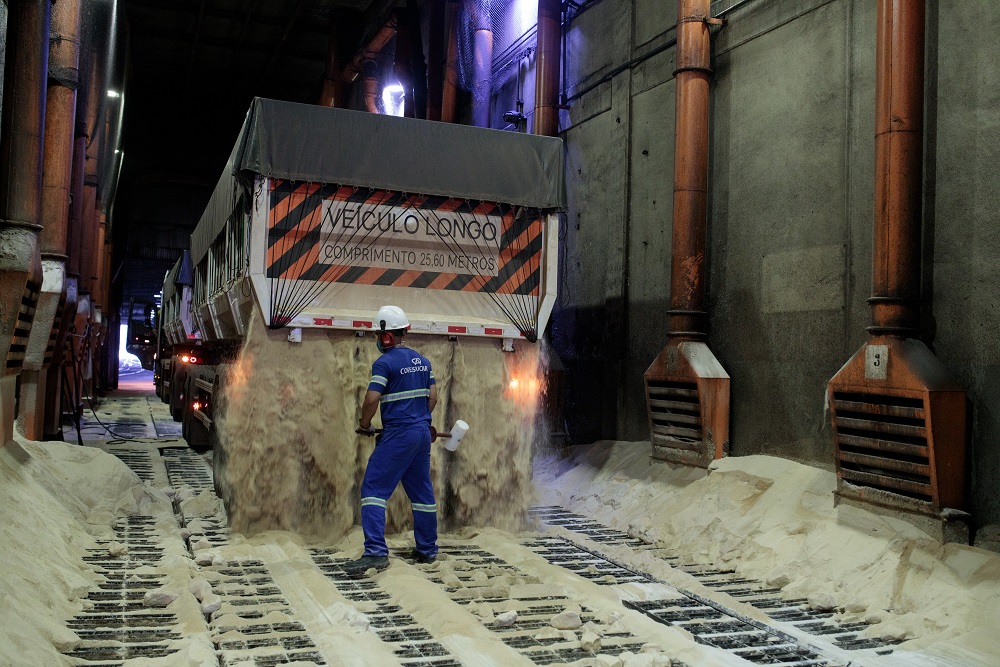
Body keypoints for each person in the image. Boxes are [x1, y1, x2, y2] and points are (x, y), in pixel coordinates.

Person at [345, 305, 439, 574]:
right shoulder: (424, 361)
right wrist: (420, 418)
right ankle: (427, 550)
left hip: (399, 434)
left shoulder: (383, 363)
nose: (378, 339)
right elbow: (433, 398)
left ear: (386, 336)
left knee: (373, 490)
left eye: (379, 334)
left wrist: (364, 425)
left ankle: (375, 552)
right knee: (422, 494)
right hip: (421, 434)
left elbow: (372, 398)